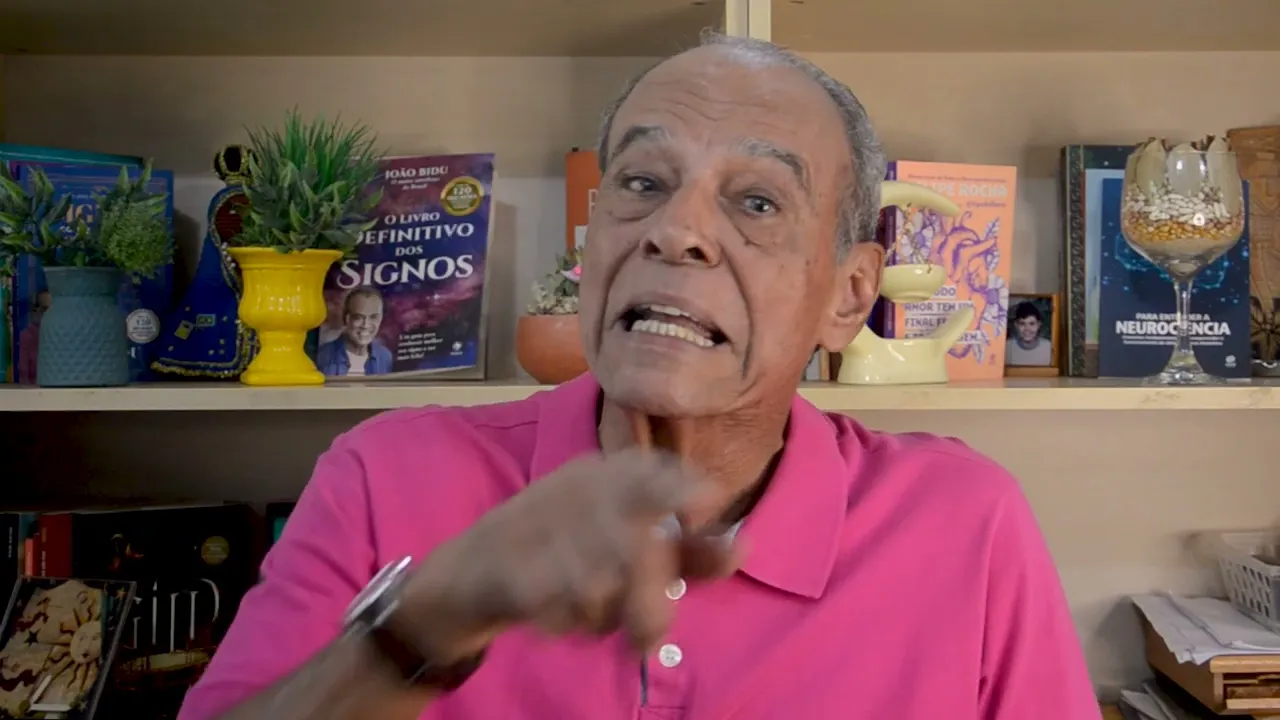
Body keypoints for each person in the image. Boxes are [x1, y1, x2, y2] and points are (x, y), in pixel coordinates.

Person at [178, 33, 1100, 720]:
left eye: (757, 201)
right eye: (643, 183)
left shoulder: (967, 525)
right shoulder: (383, 477)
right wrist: (418, 633)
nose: (676, 230)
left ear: (849, 295)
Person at [315, 287, 393, 377]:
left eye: (373, 317)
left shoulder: (385, 357)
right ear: (347, 319)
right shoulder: (323, 355)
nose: (365, 325)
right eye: (358, 317)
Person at [1006, 300, 1053, 366]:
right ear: (1016, 325)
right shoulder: (1007, 347)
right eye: (1022, 323)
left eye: (1032, 324)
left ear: (1039, 325)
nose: (1027, 329)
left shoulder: (1048, 347)